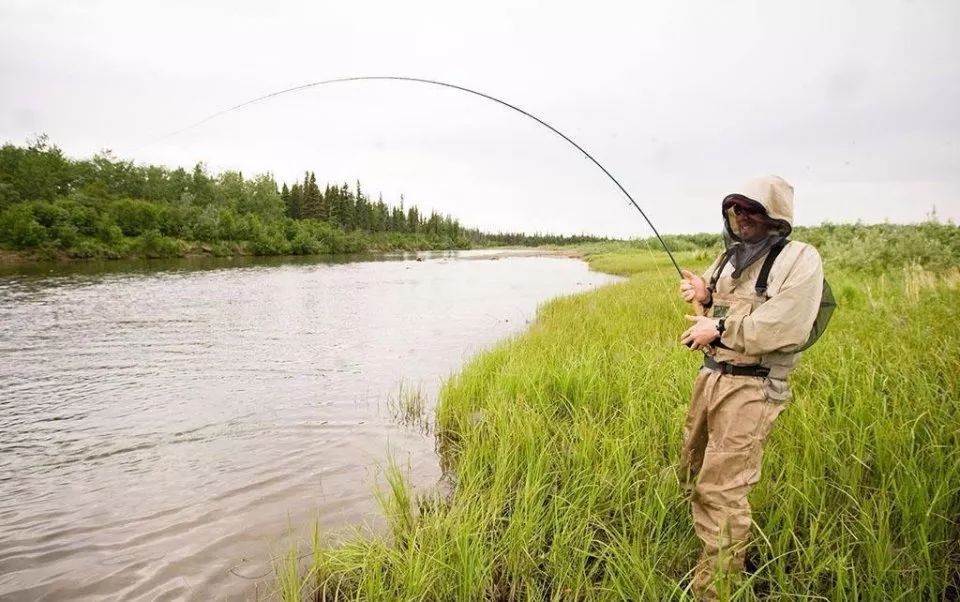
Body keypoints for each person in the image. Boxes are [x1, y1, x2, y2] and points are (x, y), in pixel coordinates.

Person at [677, 175, 824, 600]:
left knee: (721, 489)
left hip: (754, 387)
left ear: (774, 215)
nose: (740, 217)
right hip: (711, 378)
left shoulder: (799, 259)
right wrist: (704, 295)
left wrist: (717, 325)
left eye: (750, 209)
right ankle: (716, 554)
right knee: (693, 468)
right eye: (735, 209)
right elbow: (714, 308)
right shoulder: (729, 258)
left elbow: (786, 325)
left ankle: (715, 590)